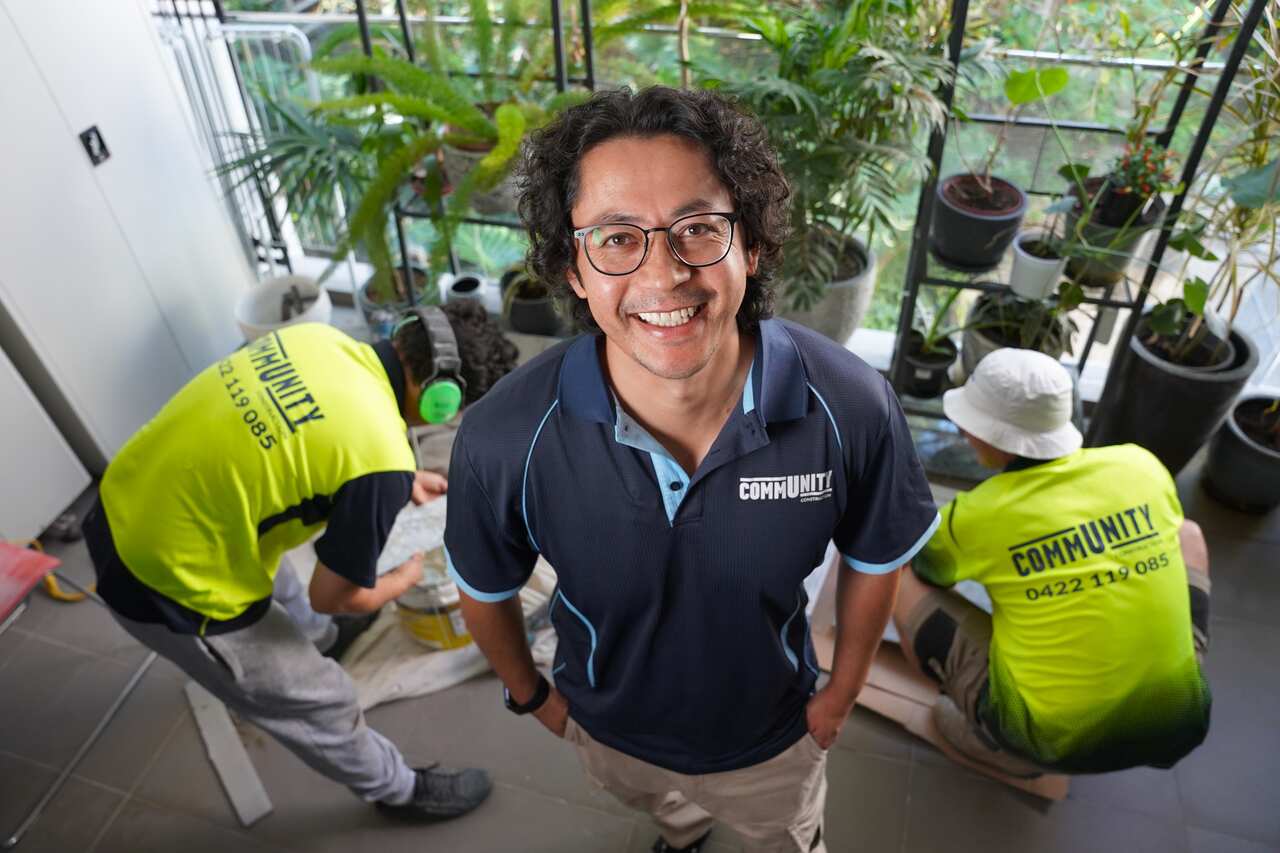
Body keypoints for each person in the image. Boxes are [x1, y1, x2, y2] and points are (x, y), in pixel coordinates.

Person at [445, 86, 939, 853]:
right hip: (607, 728)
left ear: (752, 244)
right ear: (571, 268)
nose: (664, 274)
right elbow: (484, 586)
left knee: (784, 838)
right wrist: (533, 696)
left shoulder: (852, 406)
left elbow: (878, 559)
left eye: (698, 228)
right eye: (615, 239)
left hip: (774, 738)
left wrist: (840, 692)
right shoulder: (503, 438)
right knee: (669, 814)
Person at [84, 299, 515, 821]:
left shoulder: (317, 341)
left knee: (278, 568)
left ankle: (322, 638)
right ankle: (400, 792)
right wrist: (399, 580)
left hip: (126, 499)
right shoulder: (379, 461)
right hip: (166, 581)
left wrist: (392, 484)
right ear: (445, 400)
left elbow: (302, 451)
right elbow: (333, 594)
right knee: (322, 699)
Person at [893, 347, 1212, 777]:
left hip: (1049, 738)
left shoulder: (980, 514)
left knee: (895, 573)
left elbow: (924, 564)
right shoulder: (1140, 465)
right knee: (1188, 533)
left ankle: (1001, 744)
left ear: (990, 437)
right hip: (1179, 722)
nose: (964, 432)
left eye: (970, 425)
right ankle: (1173, 664)